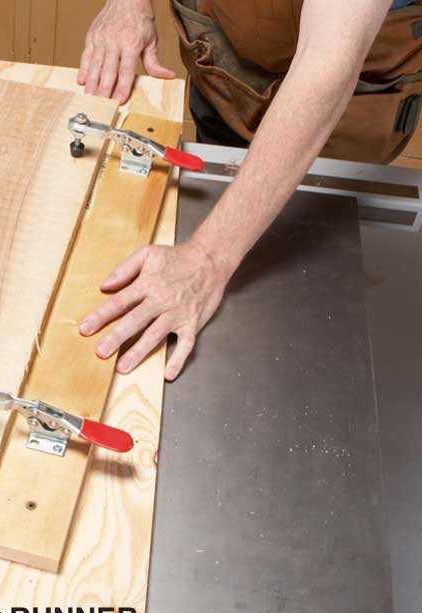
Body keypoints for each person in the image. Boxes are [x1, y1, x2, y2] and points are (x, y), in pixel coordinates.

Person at [76, 0, 422, 379]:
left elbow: (326, 60)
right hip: (229, 69)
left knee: (296, 318)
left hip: (341, 109)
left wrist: (206, 259)